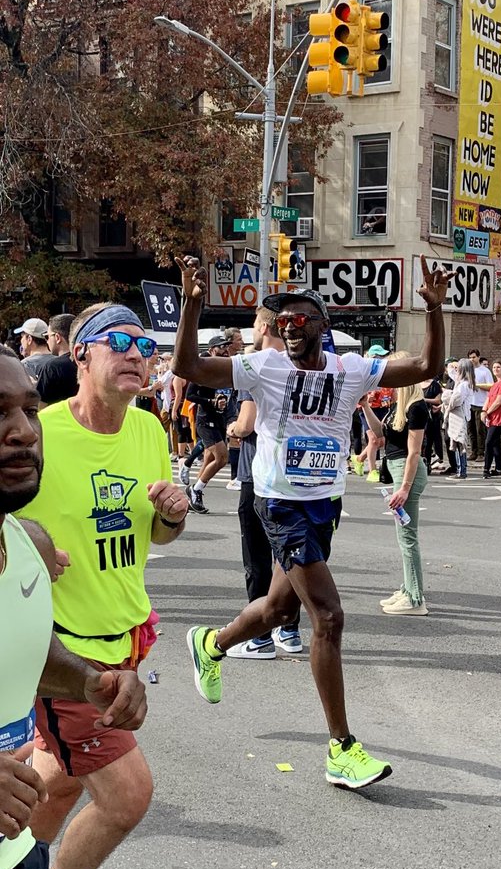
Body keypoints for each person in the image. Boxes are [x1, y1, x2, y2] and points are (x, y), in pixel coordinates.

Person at [173, 254, 452, 790]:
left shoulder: (349, 370)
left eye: (300, 320)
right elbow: (189, 367)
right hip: (280, 504)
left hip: (324, 504)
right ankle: (341, 749)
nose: (290, 329)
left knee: (280, 609)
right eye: (282, 323)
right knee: (328, 616)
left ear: (322, 326)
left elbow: (424, 370)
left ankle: (211, 643)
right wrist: (191, 303)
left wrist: (434, 310)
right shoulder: (265, 368)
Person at [20, 302, 188, 869]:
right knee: (127, 795)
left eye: (144, 344)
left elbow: (157, 536)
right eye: (117, 341)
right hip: (62, 655)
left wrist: (173, 514)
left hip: (123, 642)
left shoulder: (149, 430)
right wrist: (30, 537)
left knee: (53, 787)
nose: (136, 352)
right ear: (79, 356)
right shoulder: (41, 433)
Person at [0, 343, 147, 869]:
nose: (21, 429)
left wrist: (91, 681)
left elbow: (26, 642)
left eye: (29, 409)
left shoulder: (22, 542)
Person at [226, 308, 302, 658]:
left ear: (264, 326)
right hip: (292, 474)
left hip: (257, 472)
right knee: (288, 555)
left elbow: (247, 422)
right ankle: (290, 628)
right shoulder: (300, 362)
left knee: (257, 556)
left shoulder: (256, 364)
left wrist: (233, 429)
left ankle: (259, 638)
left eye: (254, 324)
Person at [365, 362, 429, 615]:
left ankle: (415, 598)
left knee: (407, 537)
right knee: (404, 536)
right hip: (397, 467)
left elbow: (414, 453)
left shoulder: (417, 407)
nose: (389, 383)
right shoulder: (398, 407)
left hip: (406, 470)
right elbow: (381, 434)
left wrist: (403, 489)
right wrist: (365, 406)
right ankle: (408, 588)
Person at [185, 334, 232, 513]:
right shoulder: (203, 369)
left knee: (210, 459)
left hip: (220, 418)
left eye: (226, 346)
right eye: (221, 347)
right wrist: (211, 401)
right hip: (206, 420)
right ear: (212, 350)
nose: (225, 350)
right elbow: (190, 395)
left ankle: (194, 494)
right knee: (222, 458)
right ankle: (195, 490)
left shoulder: (226, 367)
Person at [358, 345, 392, 483]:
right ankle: (372, 471)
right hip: (367, 409)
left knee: (381, 440)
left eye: (382, 356)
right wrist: (367, 398)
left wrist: (390, 400)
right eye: (377, 357)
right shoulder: (364, 372)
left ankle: (360, 458)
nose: (380, 359)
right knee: (373, 439)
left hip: (383, 409)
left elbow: (391, 391)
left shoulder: (386, 373)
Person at [34, 313, 79, 406]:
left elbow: (39, 407)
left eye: (47, 336)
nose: (47, 341)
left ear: (57, 338)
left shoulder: (52, 367)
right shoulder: (87, 361)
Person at [443, 358, 475, 479]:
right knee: (456, 442)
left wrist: (448, 398)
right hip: (458, 414)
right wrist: (456, 364)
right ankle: (460, 470)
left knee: (460, 442)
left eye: (459, 368)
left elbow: (457, 400)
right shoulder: (461, 382)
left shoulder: (464, 385)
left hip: (460, 414)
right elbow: (450, 369)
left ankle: (461, 470)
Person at [481, 360, 501, 478]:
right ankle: (498, 469)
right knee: (495, 443)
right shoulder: (495, 384)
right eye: (494, 367)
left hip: (500, 418)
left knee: (489, 442)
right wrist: (484, 411)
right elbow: (488, 399)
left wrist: (487, 412)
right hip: (492, 417)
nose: (495, 369)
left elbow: (498, 402)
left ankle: (486, 469)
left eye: (498, 367)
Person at [467, 349, 493, 461]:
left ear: (478, 357)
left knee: (480, 430)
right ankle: (474, 451)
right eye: (470, 357)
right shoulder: (468, 370)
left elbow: (491, 386)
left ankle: (481, 452)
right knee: (470, 429)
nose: (472, 359)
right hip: (469, 403)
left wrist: (477, 385)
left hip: (480, 403)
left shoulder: (485, 371)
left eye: (474, 357)